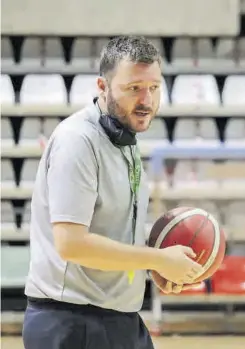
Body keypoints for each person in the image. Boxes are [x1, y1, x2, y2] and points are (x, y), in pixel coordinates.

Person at [22, 36, 203, 349]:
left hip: (118, 318)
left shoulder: (125, 140)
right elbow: (72, 245)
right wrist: (156, 259)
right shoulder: (77, 141)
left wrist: (158, 265)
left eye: (154, 87)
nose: (147, 100)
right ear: (102, 87)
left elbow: (114, 233)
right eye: (134, 88)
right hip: (71, 323)